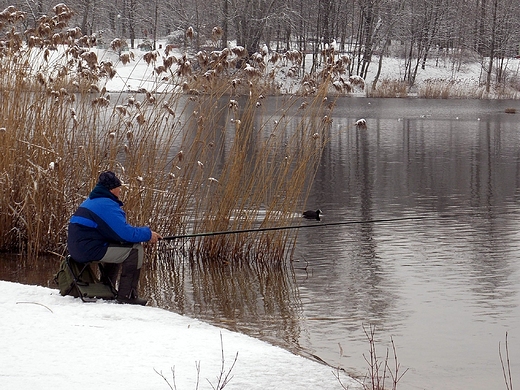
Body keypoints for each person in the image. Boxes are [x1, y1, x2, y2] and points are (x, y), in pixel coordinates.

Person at [67, 171, 162, 305]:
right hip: (87, 250)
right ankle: (127, 296)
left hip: (78, 249)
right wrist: (148, 234)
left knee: (119, 244)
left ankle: (108, 288)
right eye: (119, 187)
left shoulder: (92, 201)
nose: (120, 190)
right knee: (135, 249)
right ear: (111, 189)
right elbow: (125, 233)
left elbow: (116, 234)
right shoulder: (105, 204)